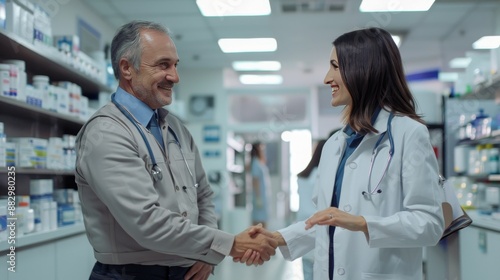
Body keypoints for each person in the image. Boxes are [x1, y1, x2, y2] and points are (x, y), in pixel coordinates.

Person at [74, 20, 277, 280]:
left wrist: (208, 254)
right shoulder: (106, 134)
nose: (175, 76)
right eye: (163, 65)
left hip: (187, 271)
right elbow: (146, 222)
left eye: (175, 65)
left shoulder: (175, 128)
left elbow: (203, 194)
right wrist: (228, 244)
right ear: (127, 68)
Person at [238, 27, 445, 280]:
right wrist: (277, 238)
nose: (327, 78)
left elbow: (430, 224)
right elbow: (328, 222)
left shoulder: (408, 134)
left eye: (335, 66)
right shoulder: (335, 144)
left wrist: (362, 223)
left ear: (363, 69)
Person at [295, 138, 326, 280]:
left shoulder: (303, 176)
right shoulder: (323, 175)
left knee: (307, 269)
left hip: (302, 225)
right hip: (319, 225)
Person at [249, 142, 271, 228]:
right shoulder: (255, 162)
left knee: (263, 218)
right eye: (262, 147)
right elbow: (255, 181)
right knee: (259, 220)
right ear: (258, 149)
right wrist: (258, 197)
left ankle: (263, 238)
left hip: (263, 195)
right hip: (259, 196)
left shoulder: (260, 162)